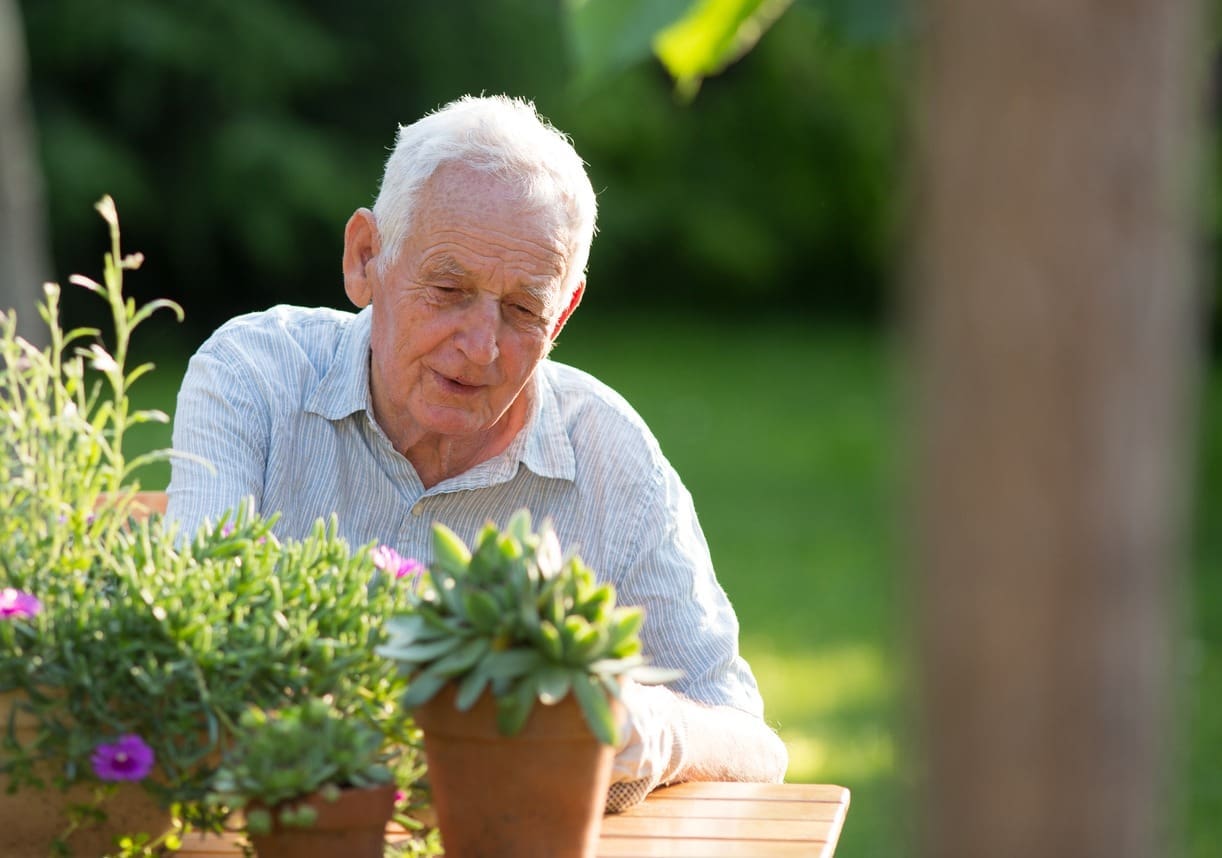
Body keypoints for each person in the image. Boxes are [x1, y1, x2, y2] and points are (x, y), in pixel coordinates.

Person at [166, 94, 788, 811]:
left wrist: (654, 726)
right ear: (365, 258)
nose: (481, 346)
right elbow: (192, 644)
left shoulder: (613, 457)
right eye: (449, 288)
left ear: (566, 311)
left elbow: (752, 741)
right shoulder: (256, 378)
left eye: (523, 310)